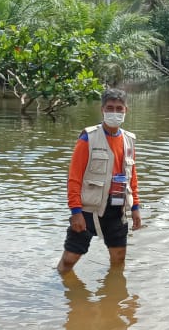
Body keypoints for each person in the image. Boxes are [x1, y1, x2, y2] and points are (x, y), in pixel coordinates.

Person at [56, 88, 142, 274]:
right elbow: (74, 178)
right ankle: (57, 288)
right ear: (102, 109)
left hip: (117, 208)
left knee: (119, 259)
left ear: (126, 110)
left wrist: (135, 207)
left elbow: (131, 176)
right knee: (70, 259)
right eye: (110, 108)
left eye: (119, 108)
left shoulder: (129, 140)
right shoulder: (89, 138)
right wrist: (75, 211)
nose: (115, 112)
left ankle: (112, 297)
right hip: (89, 209)